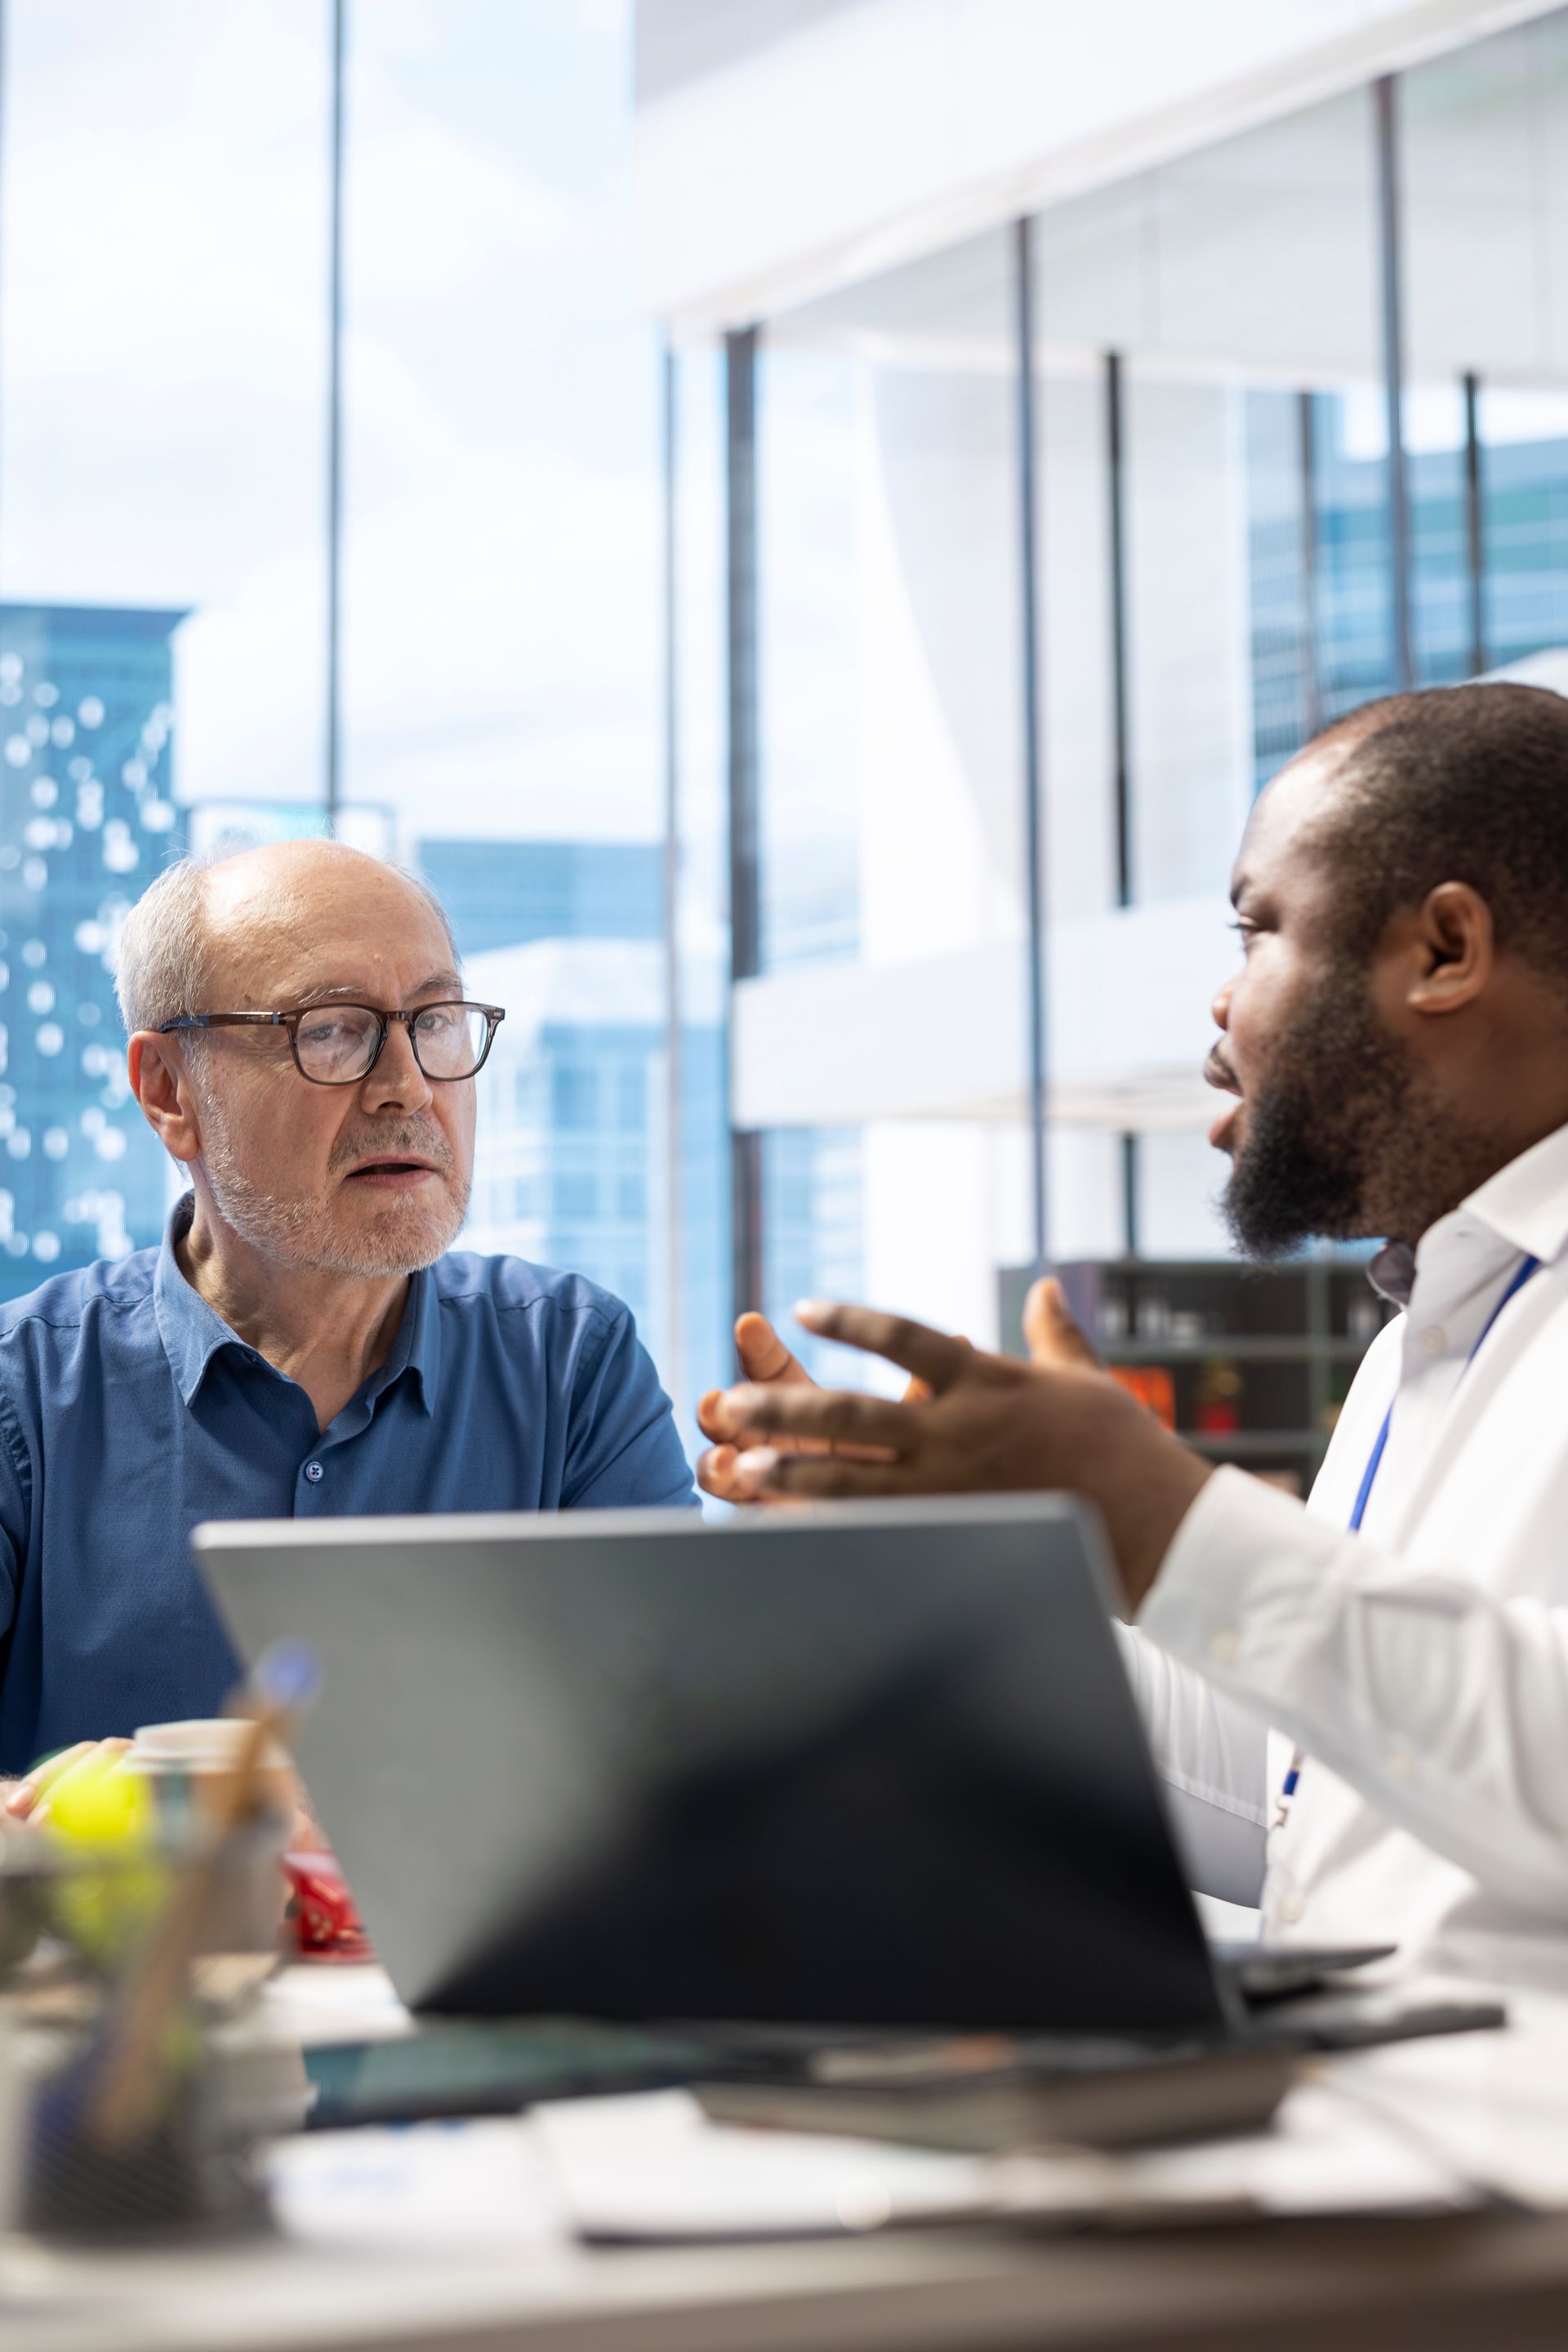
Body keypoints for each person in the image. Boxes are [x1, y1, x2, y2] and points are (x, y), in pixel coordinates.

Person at [700, 682, 1568, 1984]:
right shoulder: (1433, 1322)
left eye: (1257, 931)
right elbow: (1304, 1794)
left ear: (1445, 950)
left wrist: (1165, 1516)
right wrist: (920, 1591)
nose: (1221, 1010)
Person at [0, 840, 693, 1811]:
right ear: (169, 1093)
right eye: (330, 1032)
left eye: (437, 1022)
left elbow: (671, 1768)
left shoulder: (572, 1365)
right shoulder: (21, 1401)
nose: (407, 1085)